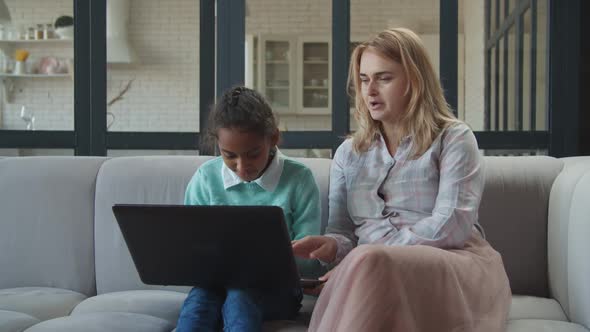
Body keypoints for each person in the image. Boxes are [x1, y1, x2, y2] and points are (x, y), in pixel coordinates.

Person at [292, 28, 511, 331]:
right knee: (370, 263)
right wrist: (331, 246)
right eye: (365, 79)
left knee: (370, 261)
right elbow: (343, 232)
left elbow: (452, 225)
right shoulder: (349, 153)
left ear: (415, 80)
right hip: (373, 270)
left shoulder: (453, 138)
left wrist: (366, 258)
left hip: (451, 265)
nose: (369, 91)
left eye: (383, 78)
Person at [176, 86, 323, 332]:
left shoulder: (299, 180)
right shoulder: (205, 178)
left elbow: (310, 262)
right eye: (229, 155)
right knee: (198, 306)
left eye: (253, 154)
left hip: (276, 290)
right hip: (214, 286)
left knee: (240, 297)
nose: (241, 167)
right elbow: (190, 253)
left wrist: (271, 259)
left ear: (273, 138)